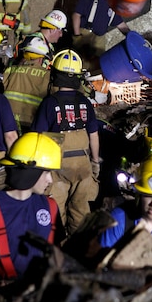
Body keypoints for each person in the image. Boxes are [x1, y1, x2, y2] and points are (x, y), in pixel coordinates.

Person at [0, 132, 64, 297]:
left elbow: (58, 256)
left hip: (41, 294)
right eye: (46, 172)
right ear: (30, 171)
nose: (50, 180)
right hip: (1, 295)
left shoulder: (50, 207)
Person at [31, 49, 100, 236]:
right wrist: (95, 162)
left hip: (57, 166)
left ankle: (58, 252)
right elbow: (93, 135)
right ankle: (77, 254)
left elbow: (39, 137)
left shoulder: (49, 103)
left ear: (55, 75)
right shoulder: (85, 102)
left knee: (55, 213)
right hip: (83, 164)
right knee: (82, 213)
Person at [3, 35, 51, 133]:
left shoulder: (9, 71)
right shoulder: (47, 76)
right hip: (31, 123)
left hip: (8, 122)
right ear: (40, 59)